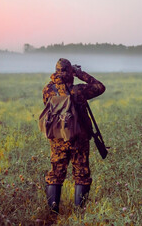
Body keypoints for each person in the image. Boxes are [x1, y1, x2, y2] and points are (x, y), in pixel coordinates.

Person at [42, 58, 105, 212]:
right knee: (81, 173)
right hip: (79, 138)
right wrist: (80, 73)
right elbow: (100, 87)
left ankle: (53, 211)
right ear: (70, 72)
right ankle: (79, 212)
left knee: (56, 173)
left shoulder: (48, 90)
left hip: (58, 139)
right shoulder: (78, 91)